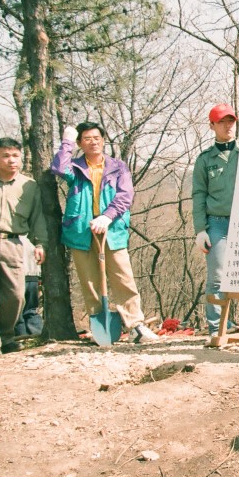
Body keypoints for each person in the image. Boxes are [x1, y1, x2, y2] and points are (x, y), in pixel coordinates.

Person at [51, 122, 158, 344]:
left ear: (103, 140)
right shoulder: (77, 168)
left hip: (112, 230)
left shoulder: (117, 166)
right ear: (81, 143)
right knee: (89, 280)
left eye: (97, 137)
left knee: (123, 277)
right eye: (87, 138)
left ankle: (136, 325)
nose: (93, 142)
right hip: (81, 230)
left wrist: (107, 216)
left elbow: (125, 196)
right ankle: (99, 324)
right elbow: (59, 168)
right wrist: (67, 142)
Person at [0, 137, 47, 354]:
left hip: (14, 243)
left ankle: (6, 335)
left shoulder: (29, 186)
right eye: (5, 156)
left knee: (16, 294)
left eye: (15, 155)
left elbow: (37, 218)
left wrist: (41, 244)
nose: (11, 160)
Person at [192, 103, 239, 335]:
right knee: (217, 275)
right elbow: (199, 194)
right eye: (221, 122)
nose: (227, 126)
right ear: (212, 125)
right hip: (217, 223)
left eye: (231, 121)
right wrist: (200, 229)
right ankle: (216, 328)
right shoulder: (204, 159)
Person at [14, 236, 44, 337]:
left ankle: (23, 334)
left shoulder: (14, 237)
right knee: (30, 309)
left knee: (19, 309)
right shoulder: (33, 238)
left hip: (24, 274)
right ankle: (35, 332)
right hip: (32, 273)